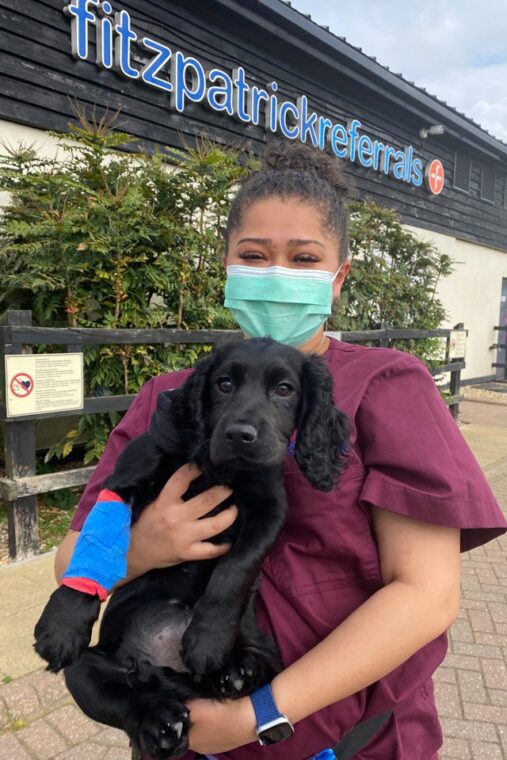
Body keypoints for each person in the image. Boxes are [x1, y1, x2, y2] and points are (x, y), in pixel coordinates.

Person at [54, 141, 506, 760]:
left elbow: (427, 593)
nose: (277, 276)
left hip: (349, 744)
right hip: (177, 737)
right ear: (228, 268)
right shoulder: (171, 397)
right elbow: (68, 562)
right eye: (255, 256)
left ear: (338, 277)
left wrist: (257, 716)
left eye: (303, 258)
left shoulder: (389, 384)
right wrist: (142, 548)